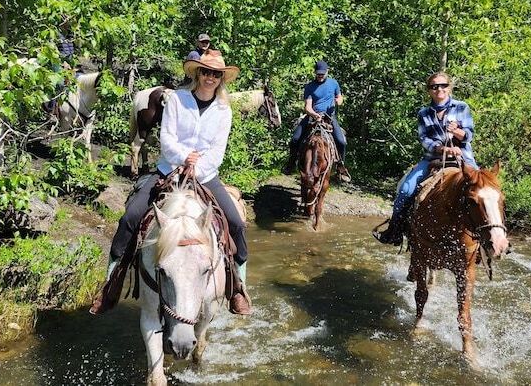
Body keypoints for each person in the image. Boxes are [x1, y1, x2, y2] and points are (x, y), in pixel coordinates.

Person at [108, 49, 252, 315]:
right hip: (168, 169)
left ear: (221, 78)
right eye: (206, 72)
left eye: (216, 74)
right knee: (131, 216)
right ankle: (111, 283)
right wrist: (185, 157)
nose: (210, 78)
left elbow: (217, 151)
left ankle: (238, 288)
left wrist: (197, 167)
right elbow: (167, 139)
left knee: (236, 223)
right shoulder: (177, 99)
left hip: (205, 175)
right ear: (198, 73)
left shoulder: (223, 110)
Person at [374, 71, 477, 246]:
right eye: (434, 86)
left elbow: (469, 135)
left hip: (463, 157)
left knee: (485, 190)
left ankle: (490, 238)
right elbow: (424, 140)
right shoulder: (424, 113)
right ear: (429, 90)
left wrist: (457, 132)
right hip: (433, 158)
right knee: (406, 189)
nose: (439, 89)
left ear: (449, 87)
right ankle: (395, 230)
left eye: (443, 85)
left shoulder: (461, 107)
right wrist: (442, 148)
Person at [283, 60, 351, 182]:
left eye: (322, 74)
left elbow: (339, 96)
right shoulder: (309, 87)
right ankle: (291, 163)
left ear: (327, 72)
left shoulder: (334, 83)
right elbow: (307, 107)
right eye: (318, 74)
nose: (320, 76)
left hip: (329, 117)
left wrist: (339, 101)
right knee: (295, 139)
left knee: (341, 142)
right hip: (313, 116)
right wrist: (314, 115)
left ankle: (340, 166)